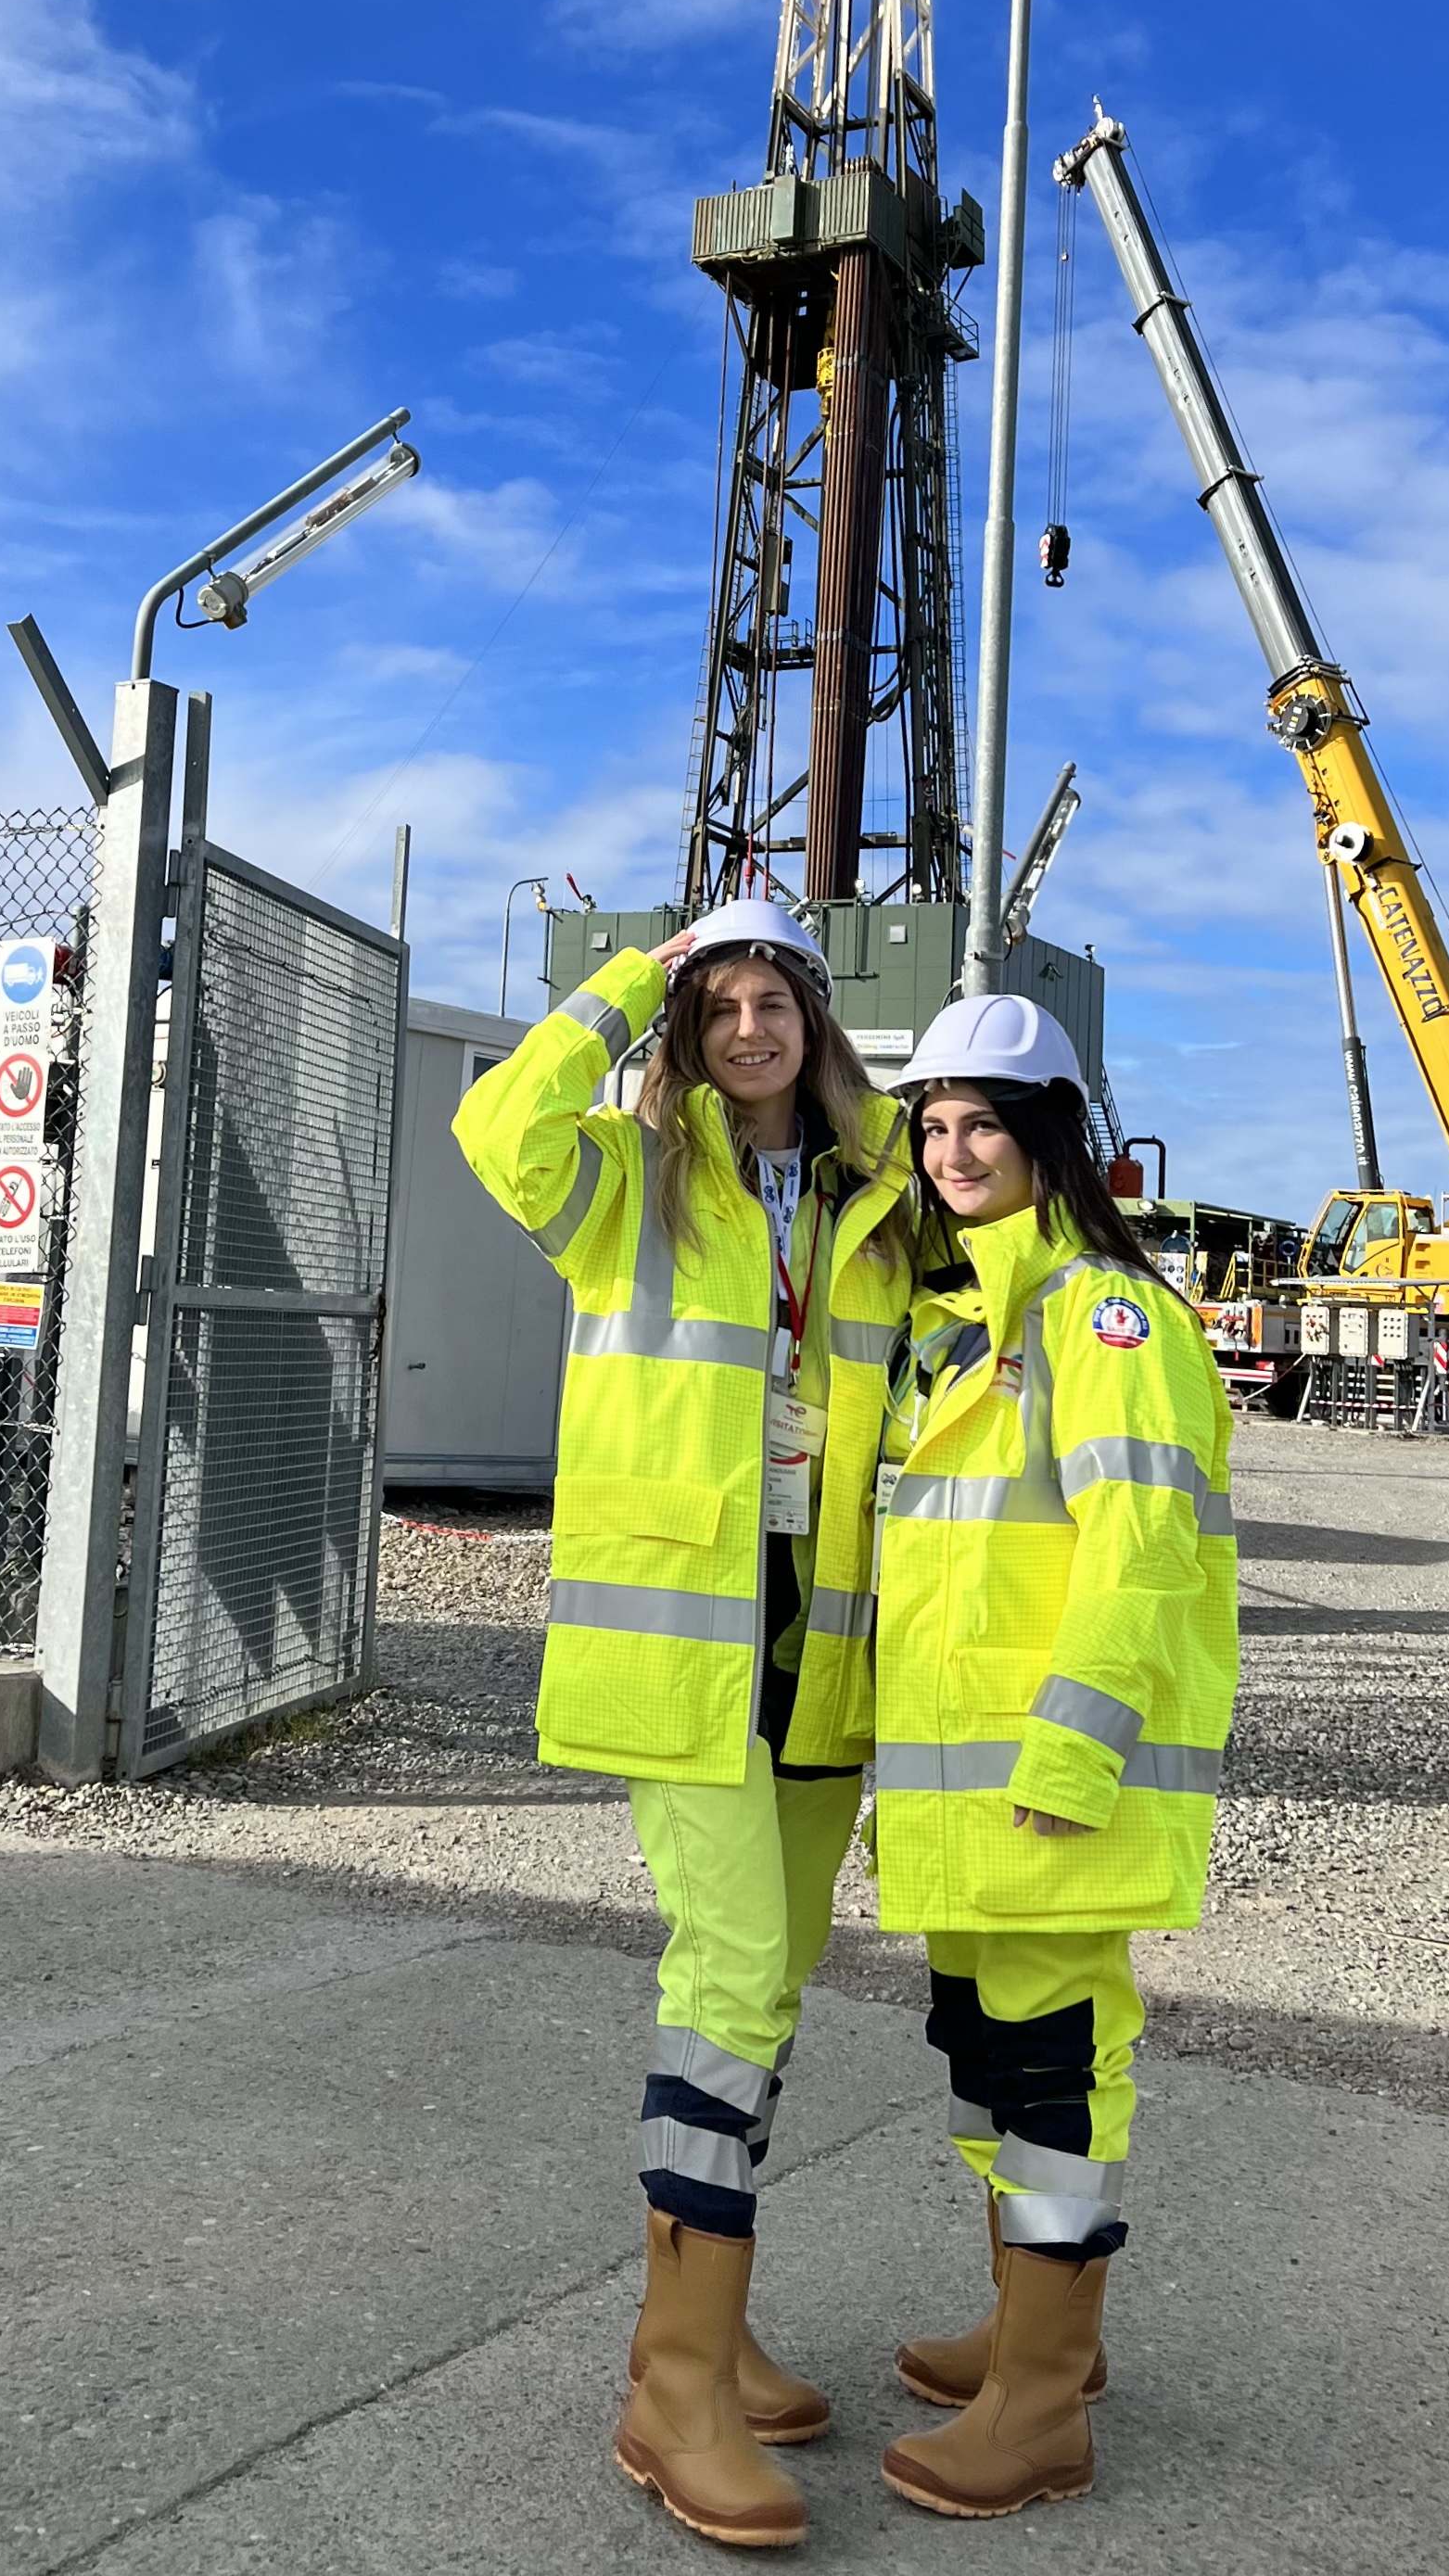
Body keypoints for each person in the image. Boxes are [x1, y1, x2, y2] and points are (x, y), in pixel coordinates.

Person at [453, 899, 910, 2551]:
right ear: (685, 1033)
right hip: (682, 1640)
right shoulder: (626, 1183)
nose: (746, 1029)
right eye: (716, 1007)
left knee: (773, 1979)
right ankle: (674, 2384)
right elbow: (492, 1125)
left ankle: (710, 2331)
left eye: (771, 1000)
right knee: (729, 1968)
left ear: (813, 1022)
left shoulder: (871, 1198)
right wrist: (626, 978)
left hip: (823, 1640)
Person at [864, 993, 1237, 2521]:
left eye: (983, 1127)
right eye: (934, 1127)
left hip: (1047, 1783)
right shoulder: (970, 1322)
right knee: (985, 2058)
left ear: (1046, 1141)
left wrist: (1072, 1761)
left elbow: (1140, 1555)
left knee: (1053, 2069)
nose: (953, 1152)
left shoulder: (1100, 1316)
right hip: (974, 1788)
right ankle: (1034, 2340)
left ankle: (1038, 2407)